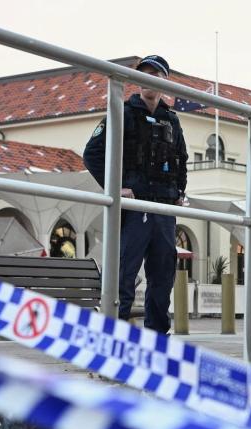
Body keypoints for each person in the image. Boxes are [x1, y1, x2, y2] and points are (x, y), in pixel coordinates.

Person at [83, 55, 188, 334]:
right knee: (122, 276)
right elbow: (92, 154)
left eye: (154, 74)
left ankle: (157, 337)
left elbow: (182, 157)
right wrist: (115, 187)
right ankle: (112, 336)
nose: (147, 78)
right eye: (143, 73)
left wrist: (180, 192)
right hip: (134, 207)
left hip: (164, 209)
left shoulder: (171, 120)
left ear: (164, 81)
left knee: (162, 276)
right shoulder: (122, 112)